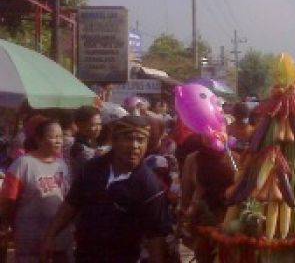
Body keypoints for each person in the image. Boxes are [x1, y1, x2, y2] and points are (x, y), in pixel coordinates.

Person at [41, 115, 171, 263]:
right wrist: (50, 236)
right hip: (84, 256)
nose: (135, 145)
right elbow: (71, 204)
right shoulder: (92, 169)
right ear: (114, 140)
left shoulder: (150, 187)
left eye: (140, 140)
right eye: (128, 138)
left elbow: (156, 239)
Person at [0, 116, 72, 263]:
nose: (58, 141)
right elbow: (8, 201)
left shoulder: (62, 165)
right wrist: (7, 226)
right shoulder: (23, 164)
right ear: (39, 139)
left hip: (59, 237)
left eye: (60, 136)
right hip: (30, 238)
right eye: (52, 137)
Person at [68, 105, 102, 176]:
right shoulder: (79, 148)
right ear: (80, 125)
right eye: (93, 125)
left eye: (99, 124)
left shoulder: (91, 142)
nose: (98, 128)